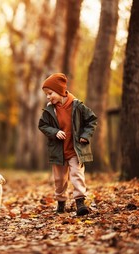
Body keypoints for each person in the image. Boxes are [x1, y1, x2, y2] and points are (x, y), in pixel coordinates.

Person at [38, 73, 97, 216]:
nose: (48, 97)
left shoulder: (78, 106)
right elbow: (42, 125)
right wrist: (54, 132)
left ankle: (80, 203)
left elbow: (92, 120)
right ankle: (61, 202)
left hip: (75, 150)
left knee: (77, 175)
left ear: (60, 91)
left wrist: (85, 136)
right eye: (46, 94)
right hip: (58, 152)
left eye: (50, 93)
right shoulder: (49, 110)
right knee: (59, 180)